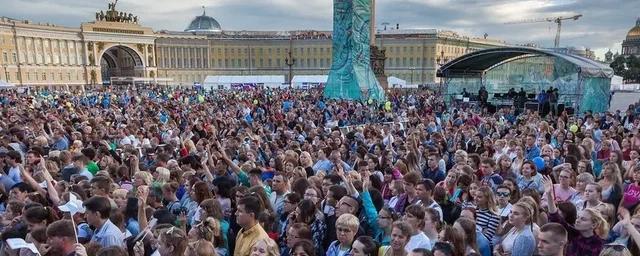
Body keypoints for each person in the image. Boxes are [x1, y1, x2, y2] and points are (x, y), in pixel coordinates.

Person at [544, 175, 608, 256]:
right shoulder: (574, 233)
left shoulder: (599, 245)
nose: (577, 220)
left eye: (583, 219)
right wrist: (549, 194)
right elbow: (555, 217)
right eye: (578, 217)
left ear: (593, 224)